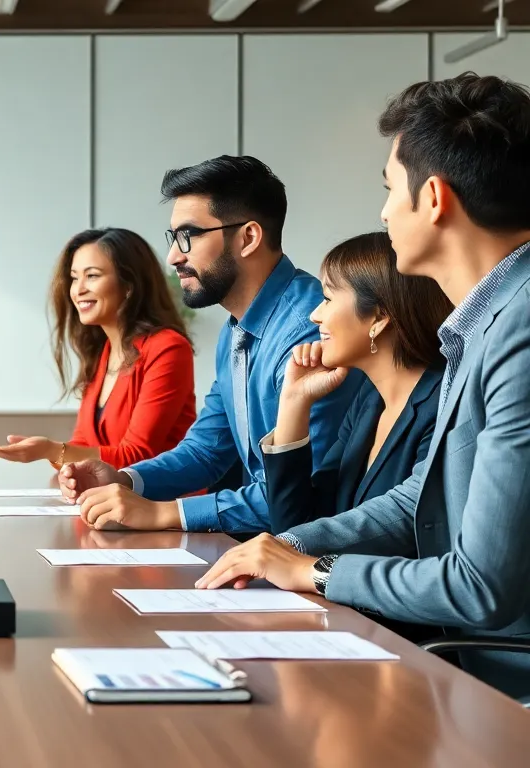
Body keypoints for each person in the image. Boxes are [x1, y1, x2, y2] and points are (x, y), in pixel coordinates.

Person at [196, 73, 530, 700]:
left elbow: (479, 588)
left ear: (433, 198)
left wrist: (315, 571)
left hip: (498, 689)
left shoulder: (520, 327)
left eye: (388, 188)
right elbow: (416, 499)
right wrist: (286, 545)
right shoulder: (485, 319)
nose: (382, 212)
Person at [58, 156, 362, 534]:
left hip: (308, 556)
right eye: (173, 238)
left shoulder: (309, 330)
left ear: (248, 238)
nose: (172, 256)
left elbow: (299, 495)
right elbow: (206, 451)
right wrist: (124, 479)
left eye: (189, 235)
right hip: (262, 547)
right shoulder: (235, 331)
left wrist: (165, 514)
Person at [261, 232, 450, 534]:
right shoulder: (369, 399)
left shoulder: (444, 404)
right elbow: (295, 527)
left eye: (327, 299)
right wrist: (294, 402)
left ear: (378, 316)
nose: (314, 316)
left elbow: (409, 541)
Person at [0, 228, 196, 469]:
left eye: (92, 276)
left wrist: (50, 450)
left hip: (159, 502)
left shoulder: (167, 348)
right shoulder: (103, 351)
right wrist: (62, 464)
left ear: (129, 285)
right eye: (74, 278)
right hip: (110, 498)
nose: (78, 289)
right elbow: (83, 443)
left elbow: (137, 455)